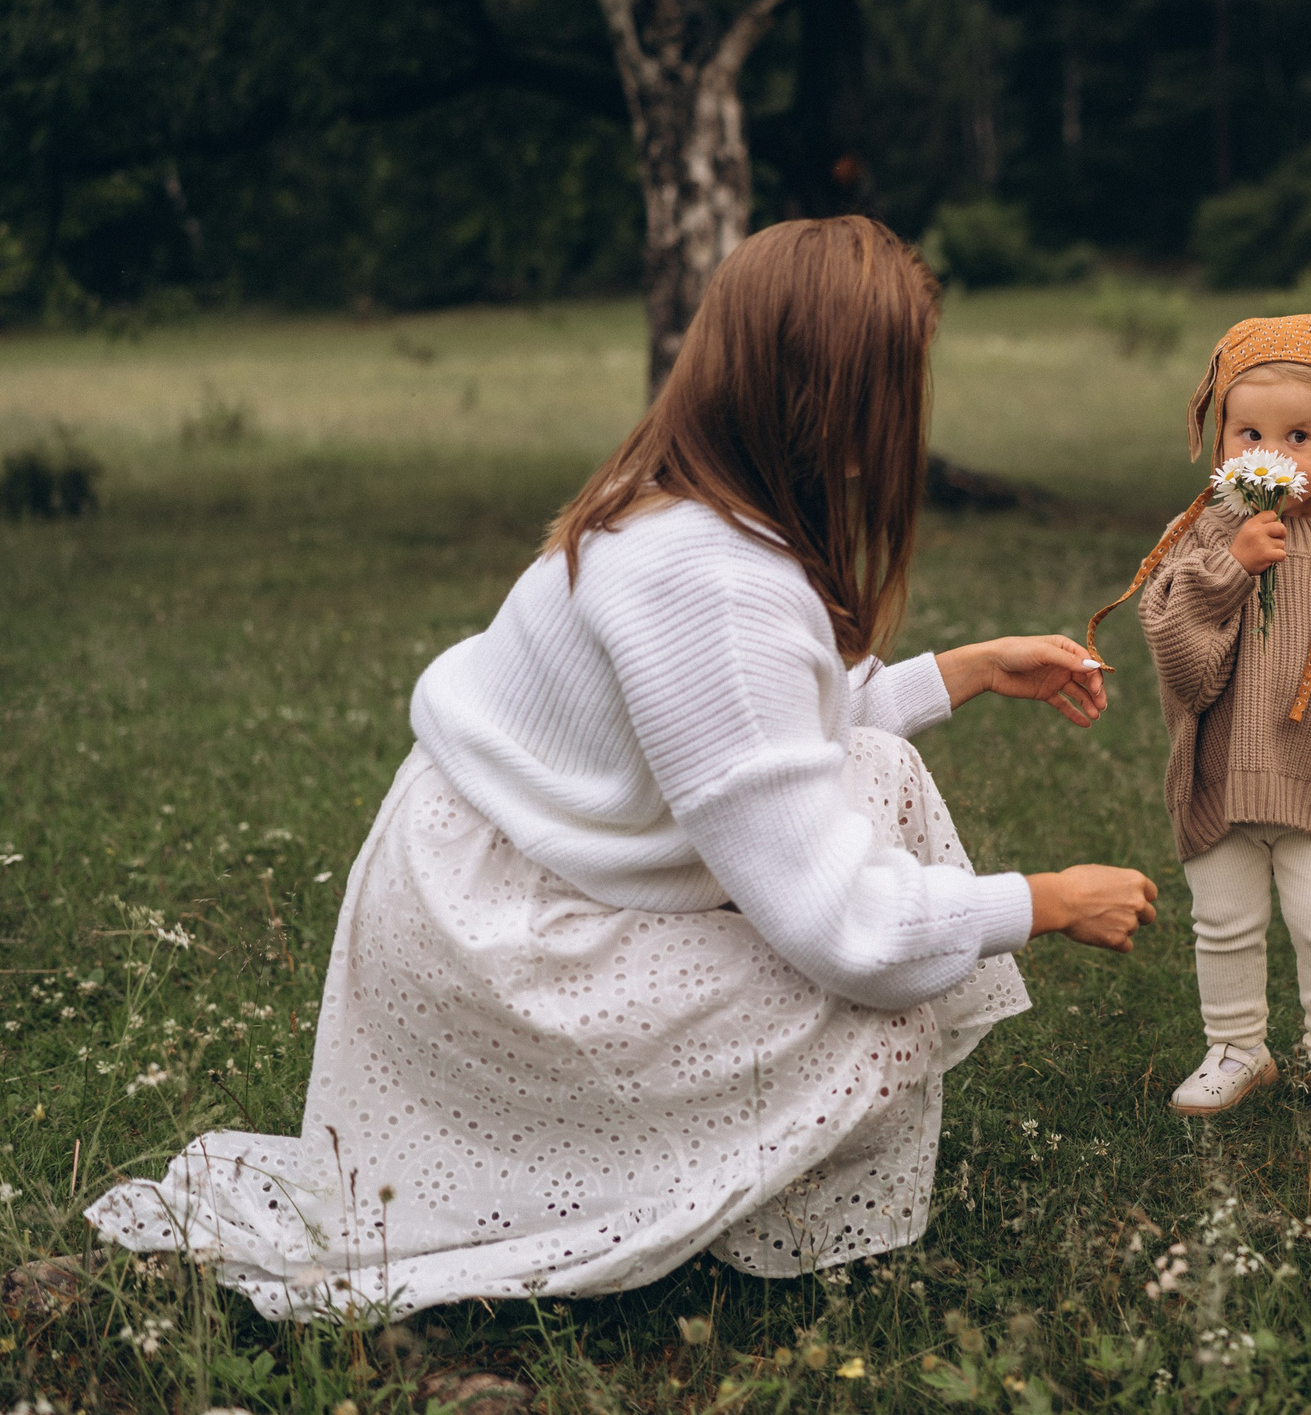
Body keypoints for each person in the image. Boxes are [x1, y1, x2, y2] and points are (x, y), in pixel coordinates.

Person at [87, 218, 1160, 1316]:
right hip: (501, 948)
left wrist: (965, 670)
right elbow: (847, 927)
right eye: (898, 381)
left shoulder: (680, 508)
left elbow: (758, 745)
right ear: (833, 402)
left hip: (495, 885)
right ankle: (656, 1202)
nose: (911, 408)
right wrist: (1043, 901)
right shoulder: (717, 583)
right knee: (880, 1014)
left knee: (878, 776)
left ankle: (674, 1167)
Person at [1085, 316, 1311, 1130]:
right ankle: (1238, 1044)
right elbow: (1184, 664)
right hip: (1220, 778)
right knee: (1225, 921)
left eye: (1300, 435)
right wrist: (1229, 569)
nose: (1275, 454)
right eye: (1251, 433)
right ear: (1220, 440)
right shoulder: (1200, 543)